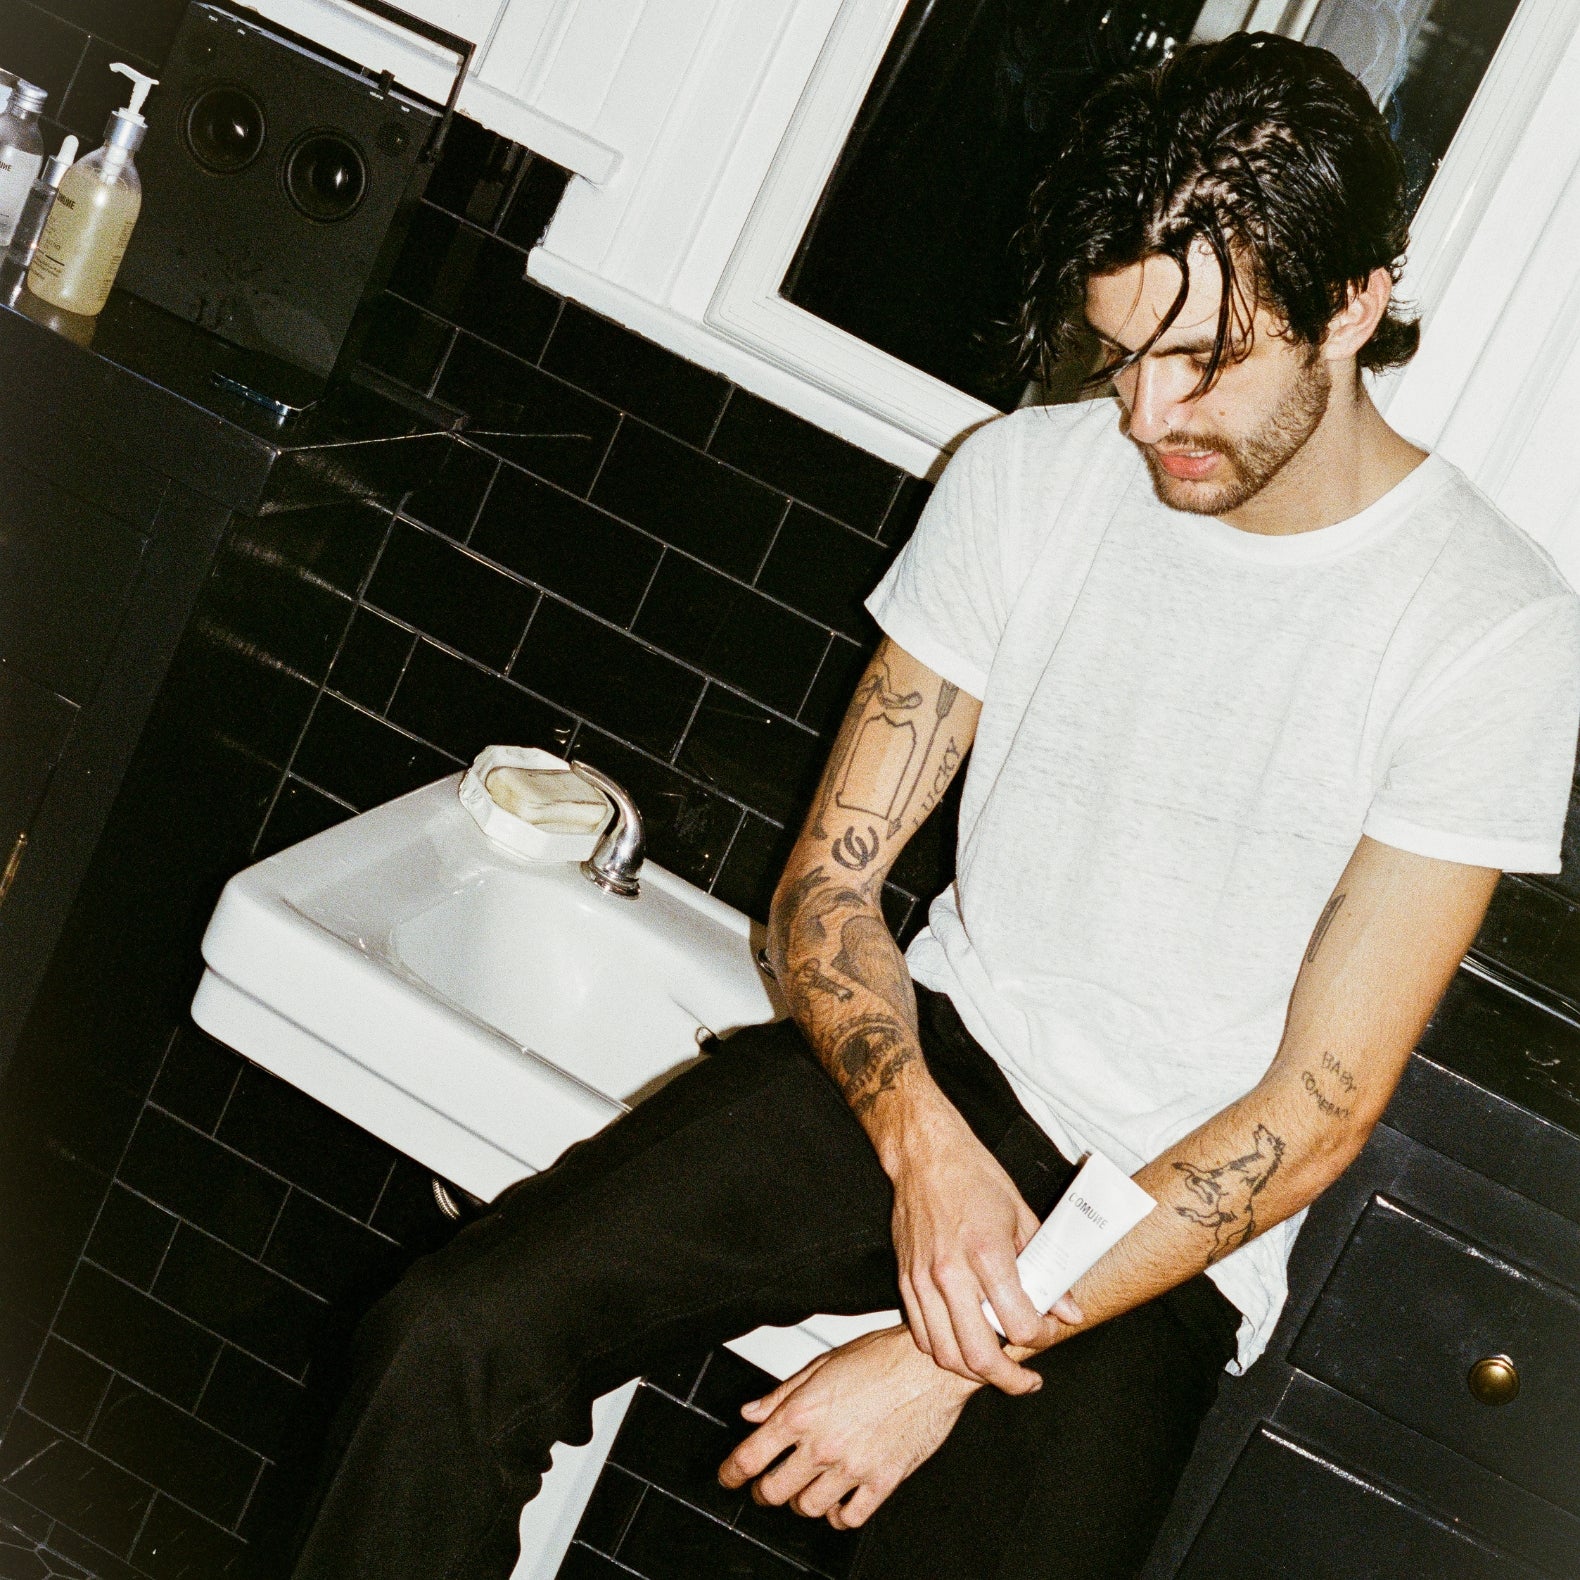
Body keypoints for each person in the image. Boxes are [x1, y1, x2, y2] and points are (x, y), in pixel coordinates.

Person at [290, 33, 1580, 1580]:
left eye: (1204, 360)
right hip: (945, 1065)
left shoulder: (1489, 627)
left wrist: (950, 1350)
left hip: (1173, 1217)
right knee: (450, 1334)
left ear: (1357, 301)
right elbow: (828, 892)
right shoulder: (1026, 481)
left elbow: (1311, 1117)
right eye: (1119, 356)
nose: (1148, 412)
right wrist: (924, 1148)